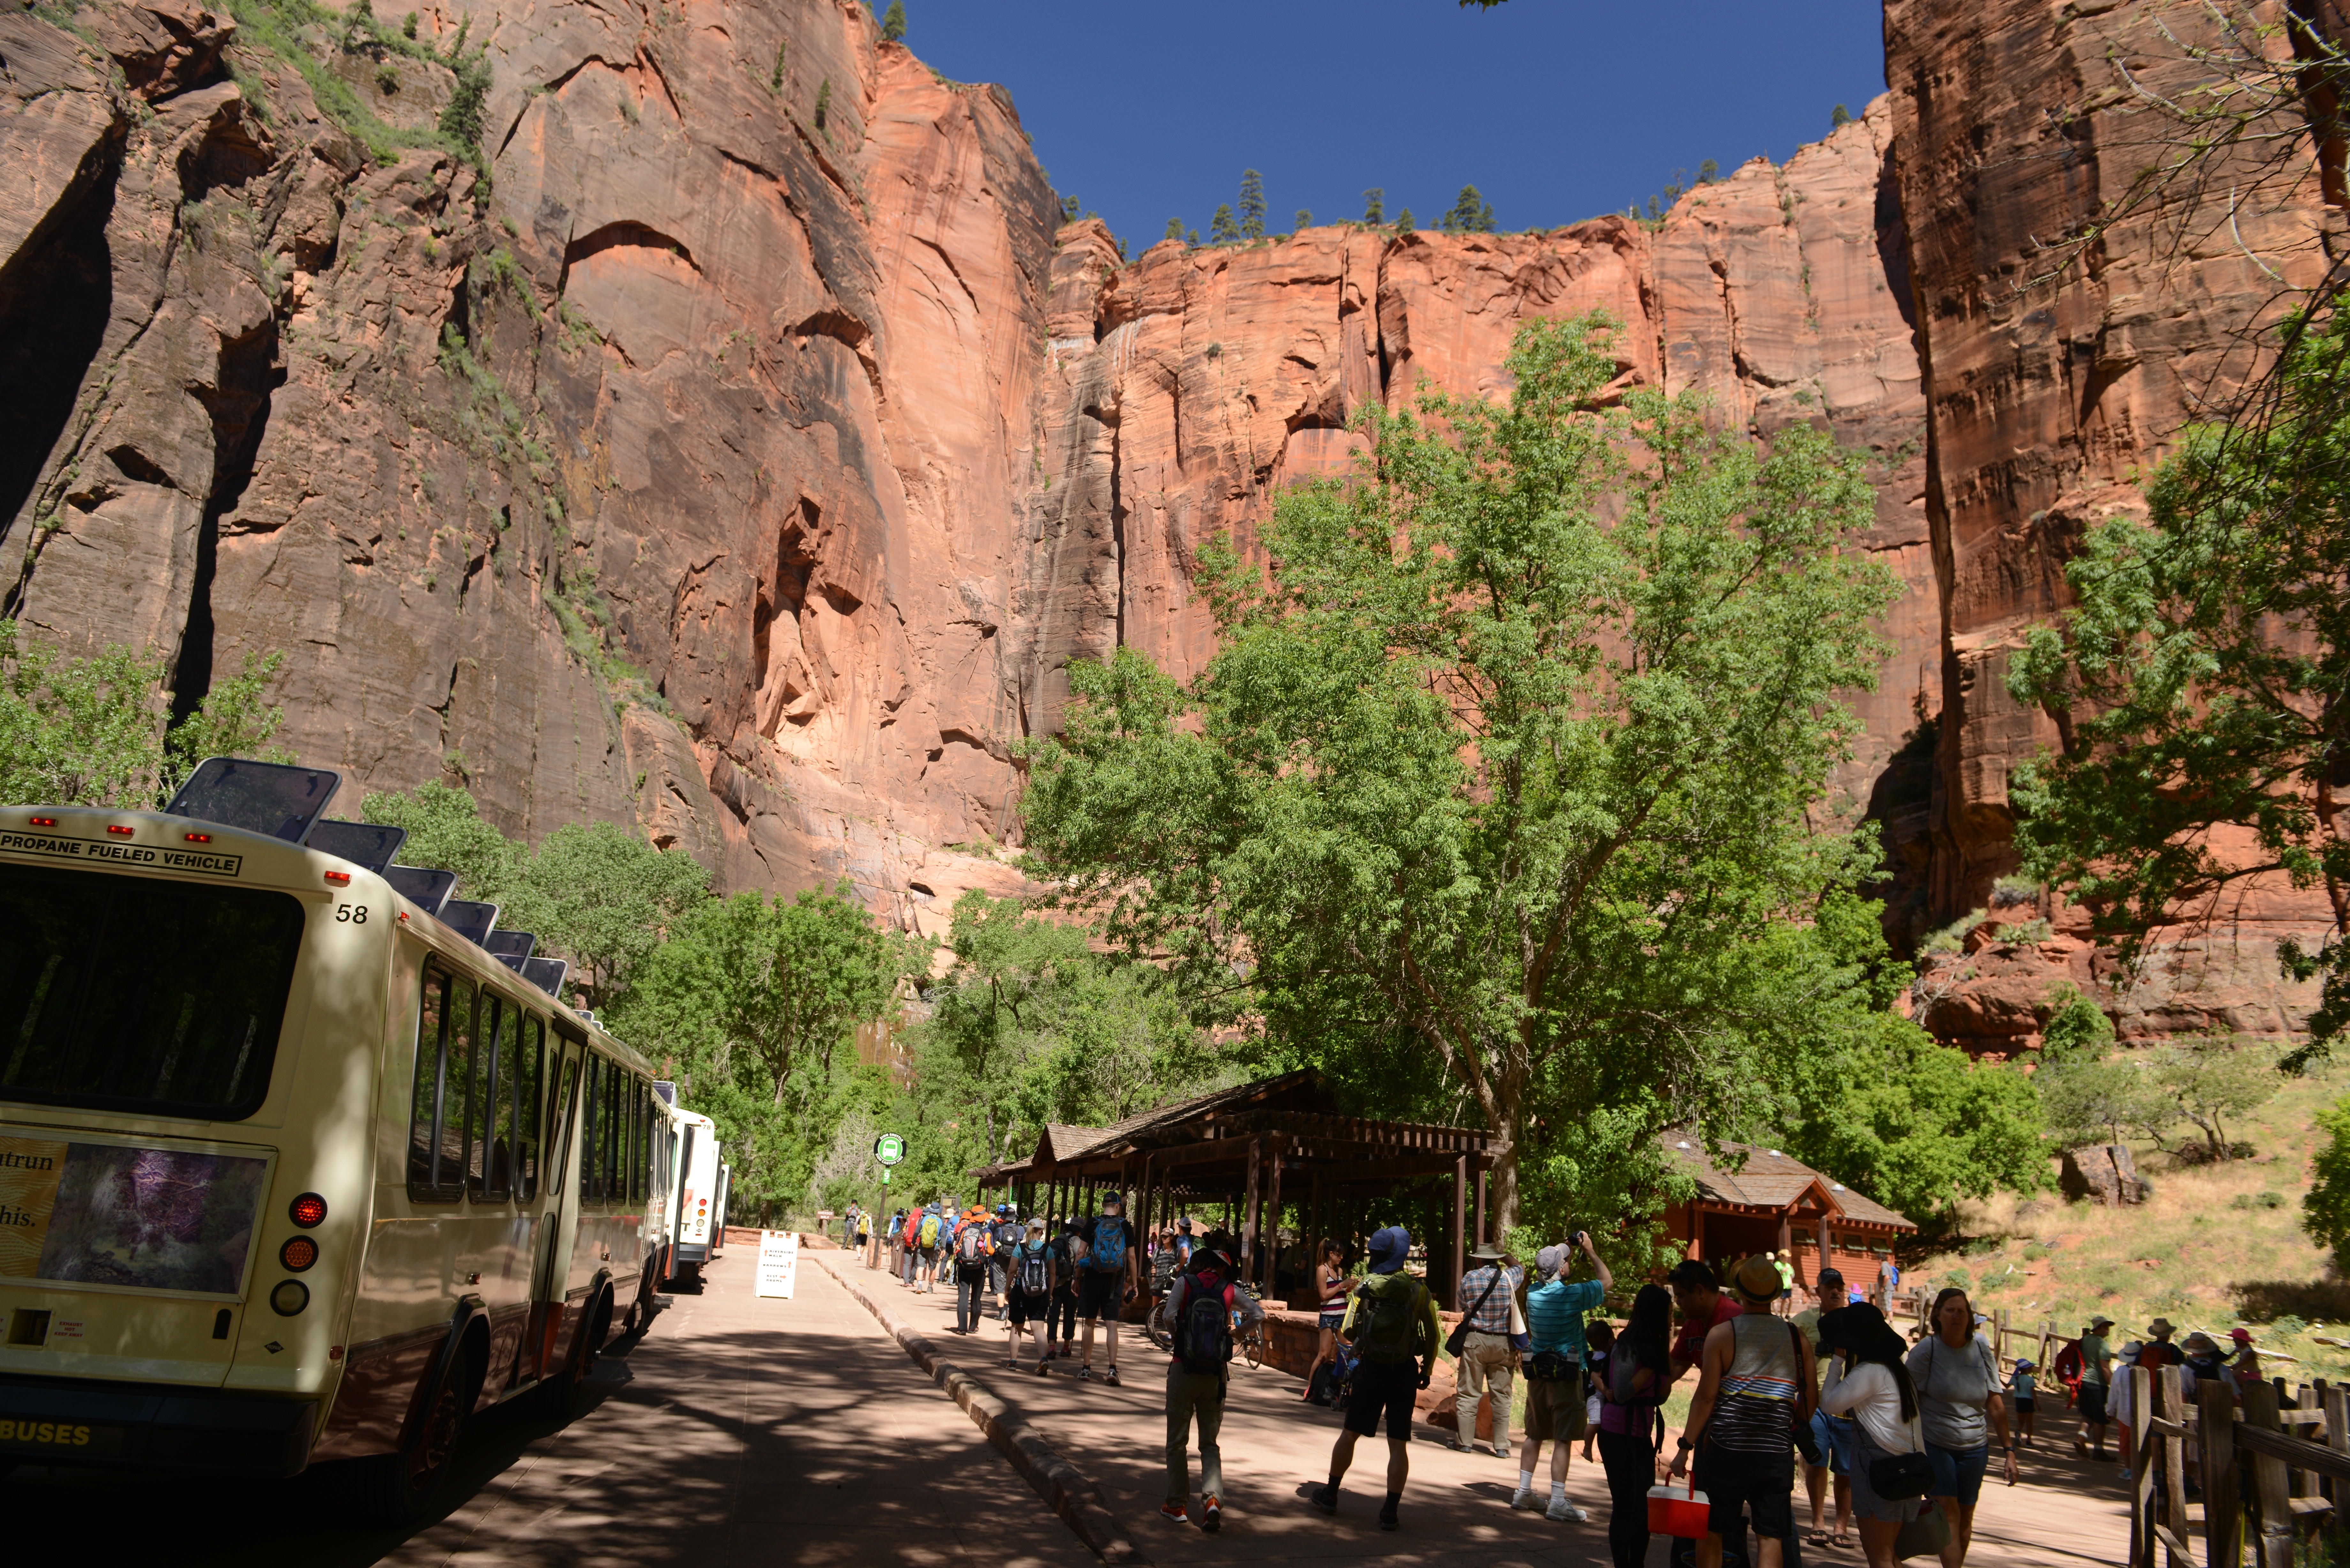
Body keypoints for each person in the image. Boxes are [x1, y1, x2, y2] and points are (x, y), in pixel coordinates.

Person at [1669, 1255, 1817, 1568]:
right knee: (1770, 1536)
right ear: (1776, 1293)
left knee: (1711, 1530)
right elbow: (1809, 1399)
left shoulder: (1722, 1335)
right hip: (1775, 1452)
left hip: (1726, 1450)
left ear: (1739, 1291)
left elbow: (1706, 1398)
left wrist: (1685, 1446)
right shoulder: (1796, 1337)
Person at [1311, 1224, 1443, 1531]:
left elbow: (1347, 1330)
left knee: (1350, 1434)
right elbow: (1434, 1335)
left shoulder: (1365, 1287)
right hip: (1403, 1372)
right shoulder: (1417, 1291)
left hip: (1371, 1369)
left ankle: (1331, 1494)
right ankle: (1390, 1512)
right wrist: (1427, 1370)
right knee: (1398, 1445)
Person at [1906, 1286, 2015, 1568]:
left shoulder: (1980, 1347)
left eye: (1962, 1311)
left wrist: (2010, 1452)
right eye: (1951, 1311)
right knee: (1949, 1512)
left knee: (1966, 1514)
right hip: (1936, 1443)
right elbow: (1908, 1400)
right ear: (1939, 1316)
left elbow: (1995, 1402)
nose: (1957, 1316)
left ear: (1969, 1317)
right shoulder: (1926, 1351)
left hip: (1975, 1447)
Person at [1159, 1229, 1260, 1531]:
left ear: (1198, 1263)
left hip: (1183, 1369)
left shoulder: (1184, 1283)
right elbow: (1258, 1314)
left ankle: (1177, 1504)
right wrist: (1237, 1335)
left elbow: (1167, 1316)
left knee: (1177, 1442)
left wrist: (1181, 1338)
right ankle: (1213, 1500)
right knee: (1210, 1444)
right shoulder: (1229, 1290)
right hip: (1215, 1375)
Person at [1819, 1302, 1929, 1568]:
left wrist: (1837, 1360)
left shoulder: (1869, 1372)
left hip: (1880, 1469)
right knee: (1891, 1555)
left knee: (1879, 1557)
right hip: (1908, 1468)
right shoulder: (1897, 1370)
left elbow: (1829, 1404)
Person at [1515, 1230, 1613, 1521]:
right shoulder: (1572, 1295)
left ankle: (1524, 1492)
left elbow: (1552, 1270)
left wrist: (1567, 1250)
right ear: (1560, 1269)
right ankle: (1557, 1501)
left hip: (1538, 1375)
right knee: (1562, 1438)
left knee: (1534, 1433)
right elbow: (1607, 1282)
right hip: (1566, 1374)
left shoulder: (1532, 1292)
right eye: (1565, 1261)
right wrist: (1591, 1252)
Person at [1596, 1284, 1672, 1568]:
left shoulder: (1656, 1345)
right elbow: (1622, 1392)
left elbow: (1662, 1396)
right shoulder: (1628, 1345)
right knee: (1625, 1507)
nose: (1670, 1318)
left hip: (1642, 1435)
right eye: (1666, 1312)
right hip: (1617, 1434)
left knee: (1644, 1510)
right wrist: (1650, 1369)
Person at [1451, 1240, 1522, 1458]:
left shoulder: (1469, 1279)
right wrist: (1504, 1254)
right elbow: (1520, 1267)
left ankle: (1465, 1442)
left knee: (1468, 1392)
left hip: (1475, 1341)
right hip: (1503, 1344)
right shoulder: (1510, 1278)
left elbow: (1462, 1303)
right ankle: (1501, 1445)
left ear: (1479, 1260)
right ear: (1497, 1260)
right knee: (1502, 1395)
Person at [1807, 1274, 1858, 1551]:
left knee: (1846, 1469)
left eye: (1841, 1288)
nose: (1836, 1292)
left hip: (1848, 1405)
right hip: (1814, 1404)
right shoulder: (1804, 1321)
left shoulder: (1856, 1322)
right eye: (1831, 1288)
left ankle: (1841, 1526)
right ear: (1819, 1291)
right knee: (1816, 1462)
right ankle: (1817, 1522)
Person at [1077, 1191, 1141, 1386]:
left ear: (1103, 1205)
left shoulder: (1093, 1223)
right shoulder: (1125, 1226)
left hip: (1093, 1277)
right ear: (1118, 1206)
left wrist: (1077, 1277)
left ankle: (1086, 1368)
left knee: (1090, 1323)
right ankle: (1112, 1368)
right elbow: (1131, 1257)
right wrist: (1135, 1284)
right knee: (1112, 1324)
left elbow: (1081, 1252)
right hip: (1115, 1281)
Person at [1669, 1258, 1744, 1385]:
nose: (1678, 1302)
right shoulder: (1691, 1327)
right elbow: (1673, 1371)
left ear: (1700, 1291)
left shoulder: (1737, 1322)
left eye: (1681, 1296)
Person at [1302, 1239, 1358, 1404]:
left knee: (1343, 1352)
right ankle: (1311, 1388)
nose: (1341, 1257)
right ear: (1331, 1254)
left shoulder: (1339, 1270)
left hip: (1341, 1316)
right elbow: (1324, 1295)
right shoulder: (1322, 1270)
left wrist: (1349, 1287)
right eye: (1339, 1254)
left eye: (1342, 1254)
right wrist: (1342, 1285)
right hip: (1328, 1316)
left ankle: (1334, 1388)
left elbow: (1339, 1294)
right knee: (1324, 1354)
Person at [2073, 1314, 2115, 1459]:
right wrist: (2114, 1387)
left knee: (2087, 1414)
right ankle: (2098, 1450)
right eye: (2105, 1327)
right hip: (2098, 1384)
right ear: (2098, 1329)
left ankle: (2081, 1439)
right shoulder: (2102, 1344)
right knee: (2100, 1419)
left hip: (2083, 1382)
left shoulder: (2085, 1340)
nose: (2108, 1330)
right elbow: (2105, 1368)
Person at [951, 1203, 994, 1333]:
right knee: (976, 1297)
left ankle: (962, 1327)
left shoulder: (964, 1230)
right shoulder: (987, 1232)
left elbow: (958, 1246)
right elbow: (991, 1251)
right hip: (979, 1268)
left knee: (963, 1297)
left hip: (964, 1267)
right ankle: (973, 1326)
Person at [1046, 1218, 1083, 1358]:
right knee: (1069, 1315)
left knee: (1053, 1314)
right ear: (1078, 1230)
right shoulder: (1076, 1241)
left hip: (1056, 1283)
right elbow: (1079, 1259)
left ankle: (1051, 1346)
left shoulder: (1058, 1239)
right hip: (1070, 1284)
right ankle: (1066, 1347)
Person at [1581, 1319, 1613, 1464]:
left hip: (1600, 1396)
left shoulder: (1600, 1355)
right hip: (1595, 1395)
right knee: (1595, 1421)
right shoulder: (1600, 1358)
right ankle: (1587, 1447)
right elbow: (1596, 1378)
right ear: (1610, 1341)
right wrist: (1606, 1391)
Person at [2007, 1358, 2036, 1447]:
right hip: (2029, 1402)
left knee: (2021, 1421)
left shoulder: (2015, 1378)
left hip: (2019, 1401)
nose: (2031, 1369)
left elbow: (2006, 1386)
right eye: (2030, 1367)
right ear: (2026, 1369)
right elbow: (2033, 1393)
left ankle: (2018, 1431)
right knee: (2029, 1422)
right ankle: (2029, 1441)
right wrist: (2037, 1404)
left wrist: (1999, 1380)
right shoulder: (2030, 1380)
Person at [1775, 1251, 1796, 1316]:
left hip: (1788, 1286)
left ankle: (1788, 1314)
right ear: (1782, 1258)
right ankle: (1782, 1314)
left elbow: (1790, 1276)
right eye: (1785, 1258)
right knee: (1784, 1301)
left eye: (1787, 1258)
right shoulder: (1778, 1264)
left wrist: (1791, 1285)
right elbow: (1776, 1274)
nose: (1786, 1259)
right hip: (1782, 1285)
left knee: (1791, 1300)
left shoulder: (1788, 1266)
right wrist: (1782, 1271)